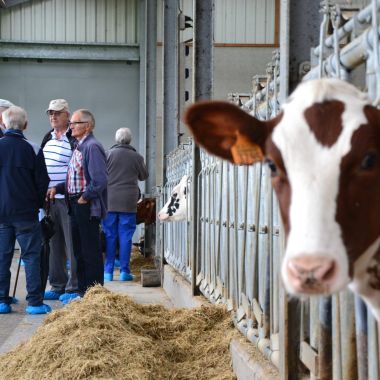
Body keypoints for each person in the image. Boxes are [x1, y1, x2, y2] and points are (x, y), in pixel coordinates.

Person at [48, 109, 107, 301]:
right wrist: (58, 187)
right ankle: (82, 291)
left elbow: (99, 180)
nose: (71, 126)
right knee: (79, 250)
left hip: (84, 204)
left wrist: (84, 197)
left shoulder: (92, 146)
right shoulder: (80, 145)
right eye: (71, 123)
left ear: (87, 126)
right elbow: (75, 178)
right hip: (74, 202)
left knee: (89, 250)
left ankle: (93, 293)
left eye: (75, 123)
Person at [0, 106, 51, 314]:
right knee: (31, 257)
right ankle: (35, 303)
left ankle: (2, 301)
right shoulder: (33, 149)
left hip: (1, 214)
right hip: (26, 214)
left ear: (3, 124)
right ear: (26, 125)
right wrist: (37, 204)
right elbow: (43, 182)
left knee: (2, 256)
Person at [41, 99, 79, 303]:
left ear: (67, 115)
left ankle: (74, 286)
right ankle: (57, 285)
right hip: (49, 200)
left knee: (71, 243)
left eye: (57, 113)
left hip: (67, 199)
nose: (53, 117)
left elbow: (77, 170)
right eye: (50, 113)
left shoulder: (73, 139)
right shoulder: (48, 137)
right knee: (53, 244)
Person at [102, 128, 148, 281]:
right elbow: (144, 176)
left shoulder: (107, 155)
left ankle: (107, 272)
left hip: (110, 201)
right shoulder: (137, 157)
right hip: (128, 202)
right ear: (130, 140)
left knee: (110, 235)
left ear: (116, 139)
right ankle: (124, 272)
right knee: (126, 236)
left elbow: (100, 175)